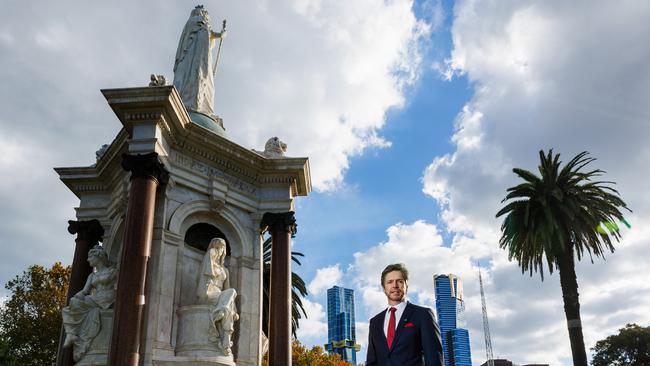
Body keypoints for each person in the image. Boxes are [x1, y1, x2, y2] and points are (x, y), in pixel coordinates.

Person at [366, 263, 443, 366]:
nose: (395, 285)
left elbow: (434, 358)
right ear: (384, 288)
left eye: (400, 281)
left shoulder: (423, 315)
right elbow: (371, 362)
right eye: (390, 282)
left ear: (406, 286)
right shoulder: (375, 322)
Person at [62, 245, 117, 361]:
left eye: (90, 257)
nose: (88, 260)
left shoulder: (112, 271)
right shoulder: (92, 276)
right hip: (97, 298)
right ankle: (71, 333)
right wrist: (78, 296)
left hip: (108, 297)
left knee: (78, 303)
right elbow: (85, 291)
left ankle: (72, 334)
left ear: (99, 257)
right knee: (71, 304)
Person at [173, 5, 226, 116]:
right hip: (196, 57)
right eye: (206, 14)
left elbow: (209, 32)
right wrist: (220, 35)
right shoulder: (198, 21)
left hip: (201, 56)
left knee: (201, 78)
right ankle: (193, 102)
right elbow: (208, 30)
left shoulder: (197, 24)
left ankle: (198, 103)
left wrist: (220, 35)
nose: (207, 17)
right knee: (197, 75)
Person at [197, 237, 239, 356]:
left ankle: (226, 341)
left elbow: (228, 290)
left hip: (221, 296)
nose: (219, 250)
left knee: (230, 297)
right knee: (229, 301)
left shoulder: (225, 270)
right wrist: (211, 253)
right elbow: (205, 278)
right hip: (208, 292)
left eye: (222, 247)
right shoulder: (209, 261)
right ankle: (226, 343)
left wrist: (234, 310)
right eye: (217, 247)